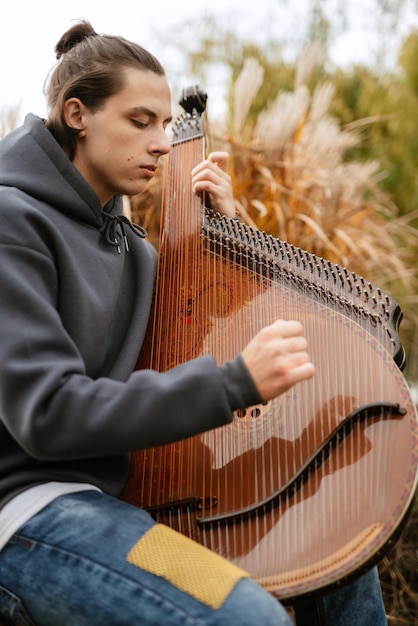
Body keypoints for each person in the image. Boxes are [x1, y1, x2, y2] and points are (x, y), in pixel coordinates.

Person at [0, 19, 387, 626]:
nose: (161, 142)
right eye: (140, 120)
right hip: (36, 510)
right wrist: (232, 385)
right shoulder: (12, 220)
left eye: (163, 122)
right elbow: (46, 413)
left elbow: (214, 328)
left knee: (338, 544)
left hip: (131, 497)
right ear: (77, 114)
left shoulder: (137, 251)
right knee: (247, 617)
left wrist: (228, 237)